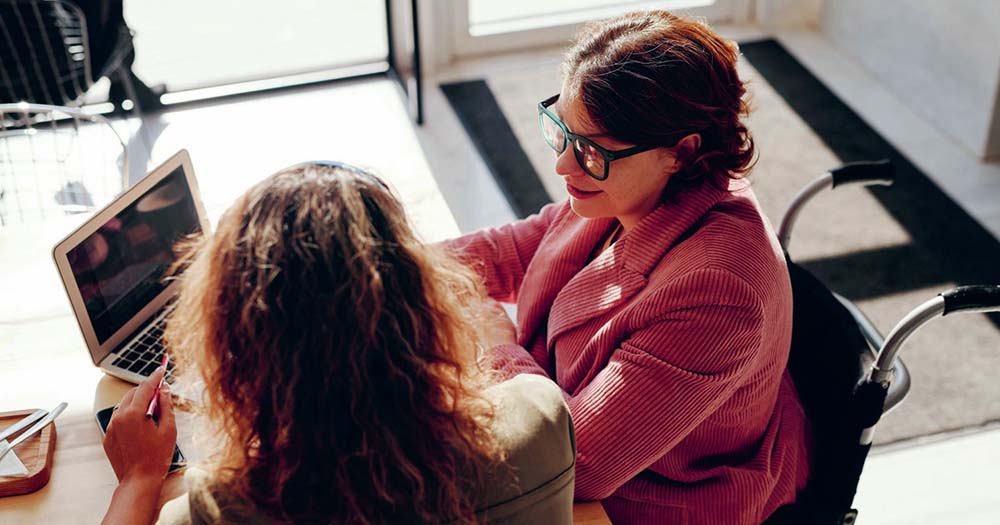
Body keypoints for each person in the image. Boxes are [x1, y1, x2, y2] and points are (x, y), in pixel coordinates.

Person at [445, 10, 811, 524]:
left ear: (682, 152)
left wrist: (495, 340)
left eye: (592, 150)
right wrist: (387, 261)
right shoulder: (627, 190)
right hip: (579, 437)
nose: (563, 166)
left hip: (650, 497)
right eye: (562, 132)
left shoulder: (718, 289)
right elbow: (515, 247)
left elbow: (579, 463)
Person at [100, 162, 576, 525]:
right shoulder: (541, 421)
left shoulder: (215, 510)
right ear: (426, 303)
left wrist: (138, 480)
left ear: (239, 343)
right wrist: (497, 346)